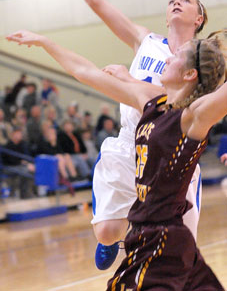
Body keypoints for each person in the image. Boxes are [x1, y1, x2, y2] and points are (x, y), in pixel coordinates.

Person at [6, 29, 226, 290]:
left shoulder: (194, 117)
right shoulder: (150, 102)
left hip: (163, 241)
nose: (166, 59)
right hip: (147, 235)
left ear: (190, 74)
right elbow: (86, 73)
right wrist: (44, 42)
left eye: (176, 56)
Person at [42, 0, 210, 270]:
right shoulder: (144, 41)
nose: (177, 2)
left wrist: (127, 79)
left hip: (174, 162)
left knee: (180, 259)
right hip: (129, 148)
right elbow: (97, 3)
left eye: (186, 0)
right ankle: (116, 228)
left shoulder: (203, 62)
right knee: (105, 233)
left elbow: (177, 105)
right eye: (172, 0)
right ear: (165, 18)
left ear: (199, 19)